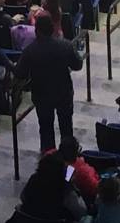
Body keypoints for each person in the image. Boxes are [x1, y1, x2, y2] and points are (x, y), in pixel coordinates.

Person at [17, 12, 83, 155]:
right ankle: (69, 159)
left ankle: (50, 160)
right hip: (63, 92)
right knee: (66, 127)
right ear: (52, 28)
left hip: (42, 95)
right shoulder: (65, 45)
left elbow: (20, 73)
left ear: (37, 30)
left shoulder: (30, 50)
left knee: (46, 128)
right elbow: (78, 65)